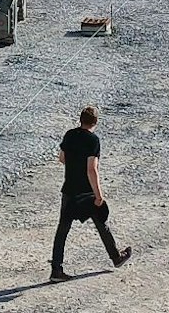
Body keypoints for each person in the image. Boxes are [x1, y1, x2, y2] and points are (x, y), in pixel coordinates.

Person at [51, 106, 132, 282]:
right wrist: (98, 195)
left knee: (62, 230)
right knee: (101, 221)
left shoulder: (69, 135)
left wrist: (74, 165)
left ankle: (56, 270)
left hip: (69, 190)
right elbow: (91, 170)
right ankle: (116, 257)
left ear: (80, 120)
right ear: (95, 122)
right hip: (86, 192)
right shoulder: (93, 140)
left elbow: (62, 158)